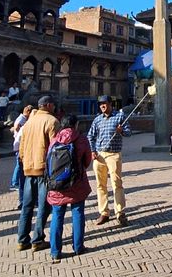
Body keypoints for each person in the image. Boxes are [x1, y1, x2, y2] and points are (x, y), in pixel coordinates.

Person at [47, 115, 92, 262]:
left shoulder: (54, 140)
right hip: (76, 183)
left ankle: (55, 251)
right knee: (78, 213)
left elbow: (48, 160)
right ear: (76, 125)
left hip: (57, 185)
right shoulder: (82, 139)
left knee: (57, 216)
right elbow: (87, 161)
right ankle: (78, 247)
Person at [17, 95, 59, 251]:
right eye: (53, 105)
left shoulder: (28, 123)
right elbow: (56, 149)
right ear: (47, 105)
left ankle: (22, 239)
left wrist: (25, 161)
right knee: (43, 205)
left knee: (27, 205)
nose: (54, 108)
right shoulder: (52, 121)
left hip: (29, 168)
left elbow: (21, 147)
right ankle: (38, 239)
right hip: (44, 169)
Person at [87, 95, 131, 226]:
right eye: (100, 104)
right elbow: (90, 136)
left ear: (111, 104)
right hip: (100, 155)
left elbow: (129, 132)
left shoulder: (120, 117)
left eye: (104, 104)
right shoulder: (97, 120)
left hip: (113, 154)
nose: (102, 106)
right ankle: (104, 212)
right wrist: (93, 151)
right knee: (101, 185)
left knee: (117, 183)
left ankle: (120, 212)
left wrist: (121, 130)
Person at [11, 104, 33, 207]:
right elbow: (17, 135)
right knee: (21, 172)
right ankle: (22, 199)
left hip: (26, 151)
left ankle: (28, 199)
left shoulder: (27, 123)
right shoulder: (23, 123)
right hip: (22, 151)